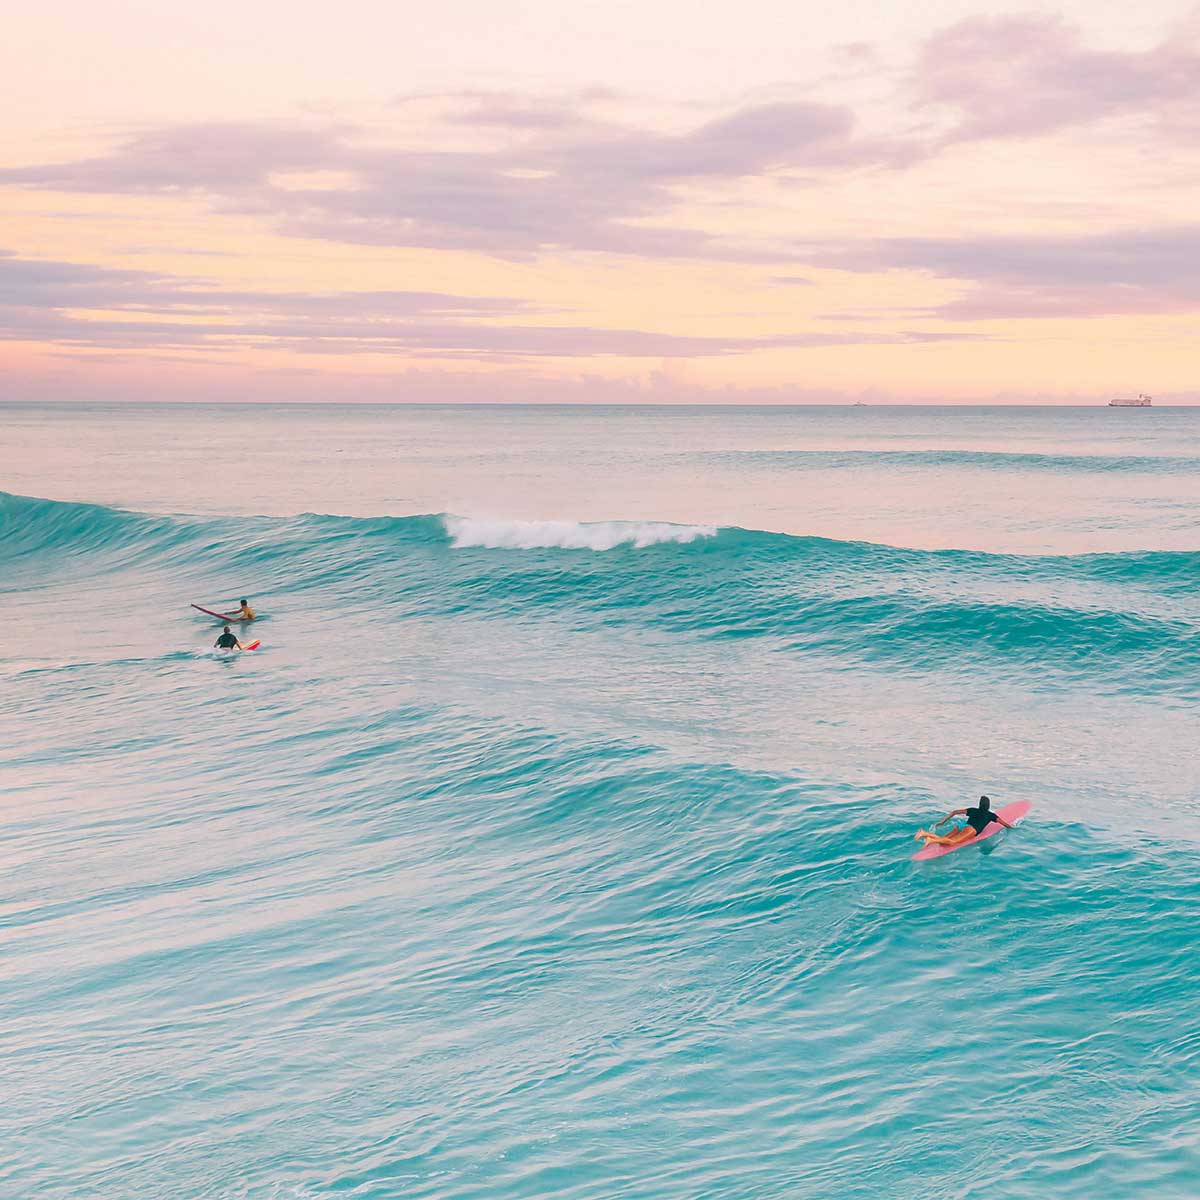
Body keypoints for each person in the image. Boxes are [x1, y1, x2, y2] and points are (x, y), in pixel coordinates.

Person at [914, 795, 1014, 848]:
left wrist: (942, 822)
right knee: (952, 842)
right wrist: (1013, 828)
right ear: (988, 805)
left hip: (962, 825)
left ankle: (924, 833)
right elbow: (1004, 823)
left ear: (980, 804)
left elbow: (955, 812)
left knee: (944, 840)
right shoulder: (991, 815)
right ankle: (931, 840)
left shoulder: (973, 810)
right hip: (970, 830)